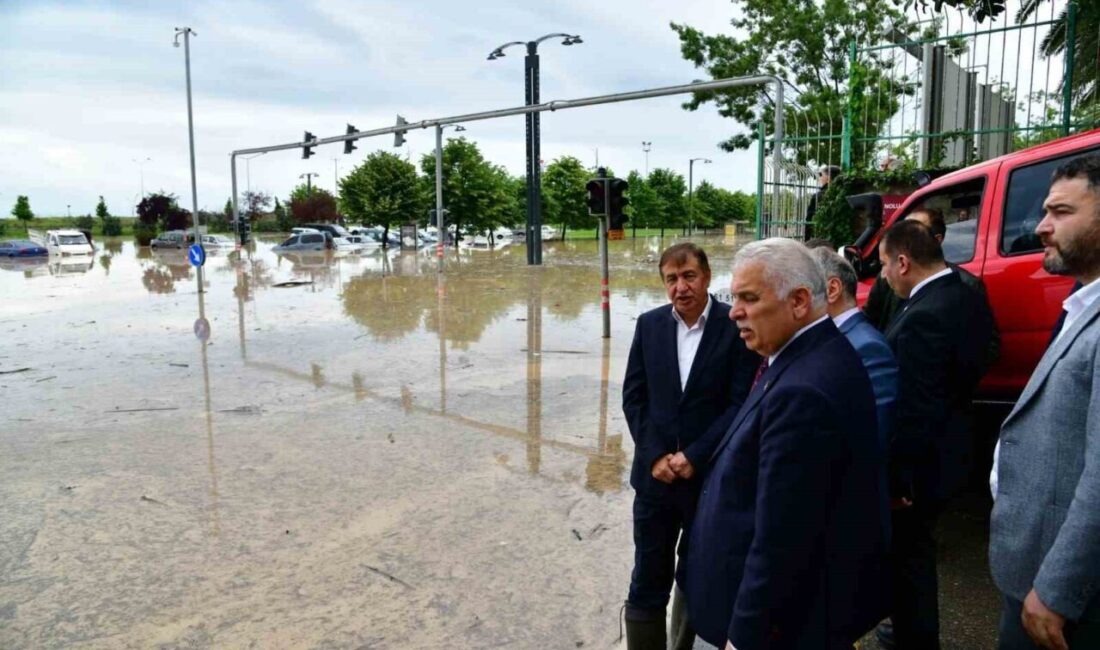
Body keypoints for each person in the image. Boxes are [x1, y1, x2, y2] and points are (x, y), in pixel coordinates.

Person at [684, 238, 889, 650]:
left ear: (798, 302)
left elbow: (783, 537)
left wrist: (745, 634)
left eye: (748, 298)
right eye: (734, 296)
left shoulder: (804, 390)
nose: (735, 312)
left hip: (775, 627)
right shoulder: (811, 355)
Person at [622, 243, 758, 650]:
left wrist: (695, 456)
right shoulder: (648, 326)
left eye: (689, 276)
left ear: (707, 276)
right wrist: (654, 456)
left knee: (699, 576)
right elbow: (634, 398)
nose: (680, 287)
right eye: (671, 279)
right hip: (655, 482)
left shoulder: (733, 325)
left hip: (707, 481)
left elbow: (740, 402)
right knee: (647, 578)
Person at [990, 155, 1100, 649]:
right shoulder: (1080, 304)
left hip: (1065, 596)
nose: (1040, 227)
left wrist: (1058, 588)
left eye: (1060, 211)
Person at [878, 220, 994, 650]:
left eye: (886, 264)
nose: (885, 275)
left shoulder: (923, 315)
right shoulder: (965, 294)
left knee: (911, 561)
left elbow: (915, 409)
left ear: (904, 262)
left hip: (922, 469)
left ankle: (915, 638)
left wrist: (898, 479)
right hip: (956, 446)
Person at [864, 207, 1000, 370]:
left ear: (936, 239)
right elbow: (870, 319)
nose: (902, 237)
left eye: (915, 232)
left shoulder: (967, 285)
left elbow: (986, 347)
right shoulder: (887, 277)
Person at [809, 245, 898, 446]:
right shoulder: (835, 337)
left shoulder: (868, 349)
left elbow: (872, 435)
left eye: (802, 289)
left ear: (832, 289)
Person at [805, 165, 841, 241]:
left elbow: (810, 219)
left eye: (821, 175)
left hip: (820, 237)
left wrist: (807, 239)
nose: (819, 178)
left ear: (828, 179)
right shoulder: (842, 194)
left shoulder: (818, 196)